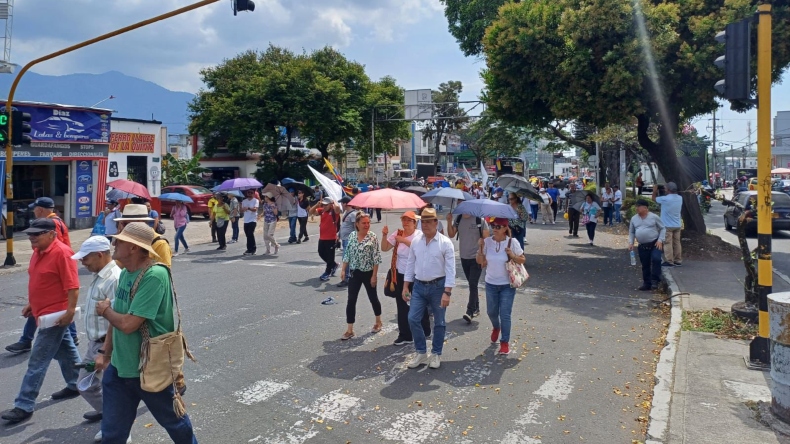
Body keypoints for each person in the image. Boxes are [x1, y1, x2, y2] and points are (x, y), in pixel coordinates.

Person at [96, 223, 198, 443]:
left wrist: (105, 310)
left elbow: (128, 324)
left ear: (133, 248)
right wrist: (106, 354)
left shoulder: (155, 275)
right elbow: (119, 316)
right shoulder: (126, 273)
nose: (114, 244)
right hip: (119, 368)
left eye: (119, 240)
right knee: (112, 433)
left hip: (149, 367)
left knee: (176, 425)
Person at [1, 219, 81, 423]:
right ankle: (76, 384)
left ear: (52, 234)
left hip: (55, 316)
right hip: (41, 312)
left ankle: (24, 404)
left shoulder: (62, 253)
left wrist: (70, 311)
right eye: (30, 234)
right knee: (66, 351)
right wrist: (32, 304)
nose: (31, 237)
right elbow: (40, 281)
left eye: (36, 234)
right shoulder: (38, 252)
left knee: (37, 361)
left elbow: (72, 286)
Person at [70, 236, 128, 442]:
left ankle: (118, 428)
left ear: (100, 255)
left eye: (85, 258)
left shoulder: (114, 279)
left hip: (106, 344)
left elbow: (116, 317)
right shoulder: (100, 275)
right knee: (86, 384)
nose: (82, 263)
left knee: (110, 388)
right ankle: (109, 415)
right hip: (95, 343)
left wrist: (105, 351)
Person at [5, 197, 78, 354]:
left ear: (40, 209)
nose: (33, 211)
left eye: (35, 208)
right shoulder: (54, 222)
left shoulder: (51, 226)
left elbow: (54, 248)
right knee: (47, 308)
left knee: (55, 307)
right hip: (55, 271)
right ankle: (71, 335)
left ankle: (26, 340)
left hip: (57, 269)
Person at [402, 208, 456, 369]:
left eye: (428, 221)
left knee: (439, 322)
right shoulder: (416, 242)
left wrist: (447, 292)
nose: (424, 225)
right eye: (422, 221)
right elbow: (410, 264)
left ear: (435, 223)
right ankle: (421, 352)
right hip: (418, 286)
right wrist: (406, 285)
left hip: (438, 286)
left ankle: (436, 353)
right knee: (412, 318)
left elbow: (451, 270)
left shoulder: (445, 243)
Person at [476, 217, 526, 355]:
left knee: (505, 314)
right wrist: (480, 248)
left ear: (505, 228)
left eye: (498, 227)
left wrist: (512, 255)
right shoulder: (487, 242)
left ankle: (504, 342)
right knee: (491, 312)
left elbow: (522, 259)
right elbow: (481, 262)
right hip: (491, 283)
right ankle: (496, 327)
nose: (494, 229)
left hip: (507, 286)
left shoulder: (512, 242)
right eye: (493, 226)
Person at [382, 211, 431, 345]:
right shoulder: (397, 233)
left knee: (418, 303)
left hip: (416, 275)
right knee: (402, 304)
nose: (405, 223)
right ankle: (405, 335)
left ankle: (426, 328)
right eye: (404, 220)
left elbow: (422, 250)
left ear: (414, 222)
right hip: (400, 274)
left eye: (409, 220)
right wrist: (385, 235)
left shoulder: (419, 235)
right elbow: (385, 248)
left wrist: (403, 241)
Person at [340, 211, 383, 340]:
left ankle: (378, 321)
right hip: (355, 272)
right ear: (357, 224)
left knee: (373, 297)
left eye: (368, 223)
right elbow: (347, 254)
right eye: (363, 223)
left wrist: (374, 276)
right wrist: (343, 270)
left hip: (368, 272)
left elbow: (376, 258)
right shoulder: (352, 236)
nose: (366, 225)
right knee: (351, 300)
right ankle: (350, 329)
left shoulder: (372, 237)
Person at [446, 211, 489, 324]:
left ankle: (470, 311)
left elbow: (487, 238)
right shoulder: (459, 218)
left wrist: (483, 241)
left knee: (472, 284)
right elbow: (451, 234)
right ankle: (476, 307)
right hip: (464, 257)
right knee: (471, 283)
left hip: (476, 257)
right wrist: (449, 221)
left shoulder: (479, 220)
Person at [628, 199, 666, 291]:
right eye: (636, 206)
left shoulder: (654, 217)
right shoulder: (634, 218)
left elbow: (663, 228)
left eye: (638, 206)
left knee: (656, 259)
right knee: (645, 264)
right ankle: (647, 283)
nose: (636, 208)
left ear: (645, 208)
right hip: (642, 245)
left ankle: (655, 280)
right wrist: (631, 242)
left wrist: (660, 240)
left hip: (654, 243)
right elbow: (632, 232)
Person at [310, 197, 341, 281]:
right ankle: (333, 264)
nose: (324, 206)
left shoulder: (334, 211)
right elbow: (310, 212)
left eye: (326, 205)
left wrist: (333, 201)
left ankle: (327, 272)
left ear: (331, 205)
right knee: (321, 253)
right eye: (323, 205)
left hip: (331, 238)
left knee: (330, 256)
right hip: (322, 237)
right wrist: (317, 204)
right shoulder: (322, 210)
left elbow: (338, 208)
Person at [653, 181, 683, 267]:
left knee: (667, 243)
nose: (664, 189)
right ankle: (678, 260)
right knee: (677, 243)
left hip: (667, 225)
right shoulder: (680, 198)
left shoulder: (665, 199)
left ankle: (669, 261)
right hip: (677, 224)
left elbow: (653, 199)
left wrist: (655, 191)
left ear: (668, 189)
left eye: (665, 188)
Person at [337, 201, 358, 288]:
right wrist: (339, 235)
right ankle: (349, 277)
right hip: (344, 239)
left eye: (342, 203)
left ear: (345, 204)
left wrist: (356, 239)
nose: (341, 204)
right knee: (347, 259)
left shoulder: (353, 214)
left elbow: (355, 227)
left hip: (349, 240)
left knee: (346, 259)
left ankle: (346, 278)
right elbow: (343, 226)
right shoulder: (347, 213)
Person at [241, 189, 259, 255]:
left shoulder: (255, 201)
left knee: (250, 234)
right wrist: (243, 209)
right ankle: (249, 249)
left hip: (253, 219)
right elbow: (241, 210)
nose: (250, 194)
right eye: (248, 192)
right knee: (247, 235)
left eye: (251, 193)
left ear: (254, 194)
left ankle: (252, 249)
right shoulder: (244, 201)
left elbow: (255, 209)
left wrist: (248, 208)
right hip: (246, 220)